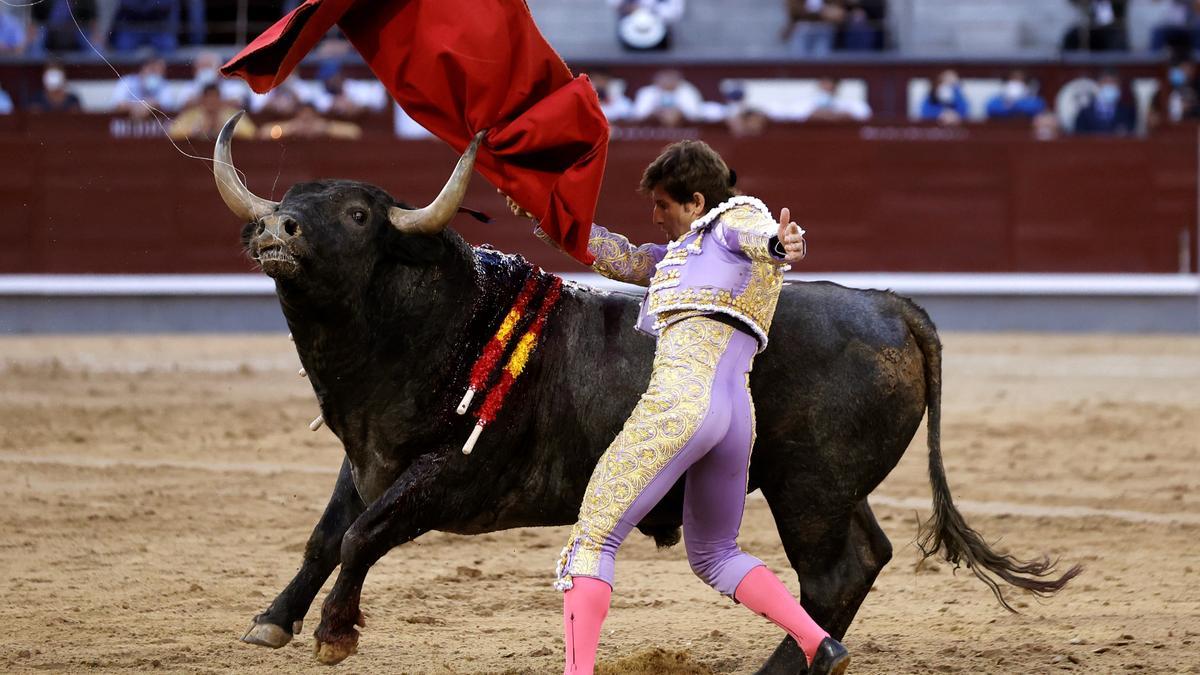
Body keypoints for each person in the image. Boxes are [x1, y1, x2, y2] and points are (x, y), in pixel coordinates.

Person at [506, 140, 849, 675]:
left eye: (663, 204)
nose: (655, 215)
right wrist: (543, 212)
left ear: (695, 200)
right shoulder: (680, 256)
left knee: (593, 537)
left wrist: (783, 244)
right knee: (714, 553)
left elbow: (761, 239)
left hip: (680, 402)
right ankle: (818, 643)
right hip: (735, 414)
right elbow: (615, 254)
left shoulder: (736, 219)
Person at [168, 83, 255, 141]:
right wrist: (196, 131)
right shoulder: (191, 114)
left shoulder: (232, 114)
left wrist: (228, 132)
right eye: (208, 97)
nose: (212, 101)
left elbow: (251, 133)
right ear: (202, 99)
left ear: (220, 98)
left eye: (215, 97)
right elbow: (173, 133)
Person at [631, 69, 704, 126]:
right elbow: (639, 114)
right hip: (652, 128)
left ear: (678, 80)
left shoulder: (687, 90)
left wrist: (679, 113)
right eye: (664, 78)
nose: (667, 81)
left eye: (671, 78)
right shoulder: (647, 92)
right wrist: (656, 112)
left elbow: (695, 114)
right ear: (656, 80)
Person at [1074, 71, 1138, 134]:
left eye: (1113, 82)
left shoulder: (1128, 113)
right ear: (1098, 84)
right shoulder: (1084, 113)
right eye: (1106, 82)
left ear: (1119, 86)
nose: (1109, 86)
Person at [795, 77, 871, 121]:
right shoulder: (805, 103)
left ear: (836, 87)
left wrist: (837, 115)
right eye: (824, 84)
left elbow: (864, 113)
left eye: (831, 85)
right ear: (819, 85)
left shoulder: (850, 104)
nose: (828, 87)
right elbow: (796, 115)